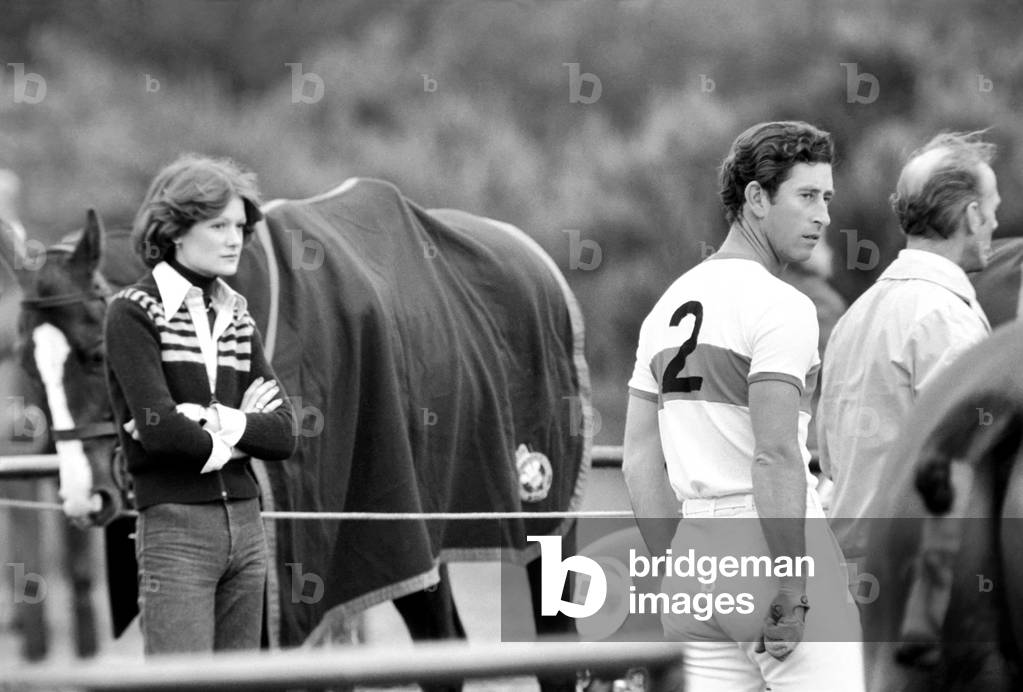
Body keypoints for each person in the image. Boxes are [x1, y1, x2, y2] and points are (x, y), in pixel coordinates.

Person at [623, 121, 863, 691]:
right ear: (756, 199)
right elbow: (775, 453)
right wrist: (789, 584)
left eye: (827, 198)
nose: (823, 216)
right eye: (806, 196)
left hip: (693, 561)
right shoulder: (784, 306)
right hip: (771, 545)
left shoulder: (665, 305)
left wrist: (676, 570)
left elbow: (638, 461)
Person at [104, 154, 296, 654]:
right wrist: (241, 432)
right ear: (174, 230)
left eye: (239, 226)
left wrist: (214, 421)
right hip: (176, 529)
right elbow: (163, 433)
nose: (235, 238)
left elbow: (284, 433)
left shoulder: (237, 314)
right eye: (218, 225)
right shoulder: (131, 312)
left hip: (249, 529)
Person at [817, 132, 997, 565]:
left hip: (849, 571)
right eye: (993, 208)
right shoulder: (945, 318)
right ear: (972, 215)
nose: (994, 222)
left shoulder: (855, 316)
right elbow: (970, 459)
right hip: (915, 576)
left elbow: (830, 458)